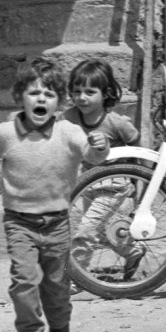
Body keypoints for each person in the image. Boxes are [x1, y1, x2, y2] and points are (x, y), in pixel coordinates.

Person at [0, 58, 109, 332]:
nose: (41, 99)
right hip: (19, 222)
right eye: (34, 93)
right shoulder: (6, 133)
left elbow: (93, 157)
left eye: (49, 94)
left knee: (56, 285)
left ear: (58, 103)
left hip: (57, 223)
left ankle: (60, 320)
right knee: (24, 280)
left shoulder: (69, 132)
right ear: (20, 97)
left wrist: (100, 145)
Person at [61, 59, 144, 278]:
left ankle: (74, 278)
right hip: (88, 183)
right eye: (77, 91)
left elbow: (138, 148)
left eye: (89, 92)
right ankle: (133, 252)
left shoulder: (116, 122)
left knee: (85, 231)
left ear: (105, 93)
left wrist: (138, 183)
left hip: (114, 186)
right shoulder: (69, 118)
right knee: (103, 233)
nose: (82, 97)